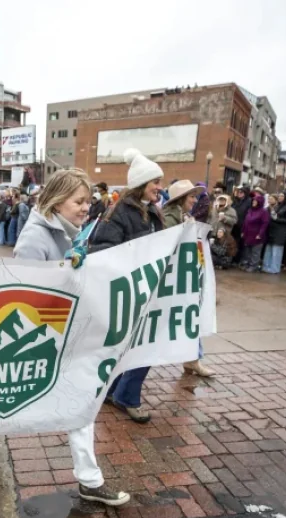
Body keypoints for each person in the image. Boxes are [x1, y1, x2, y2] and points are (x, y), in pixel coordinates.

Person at [12, 168, 130, 506]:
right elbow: (25, 296)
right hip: (43, 340)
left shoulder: (71, 232)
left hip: (67, 337)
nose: (86, 207)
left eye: (88, 201)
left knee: (83, 404)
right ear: (57, 201)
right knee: (15, 400)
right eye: (79, 201)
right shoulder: (35, 238)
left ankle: (89, 480)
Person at [90, 150, 165, 422]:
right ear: (141, 184)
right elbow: (101, 250)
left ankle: (112, 391)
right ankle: (127, 397)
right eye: (155, 181)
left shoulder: (151, 210)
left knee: (134, 346)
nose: (159, 187)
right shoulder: (118, 212)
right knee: (144, 346)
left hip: (148, 287)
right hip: (131, 291)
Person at [161, 180, 212, 377]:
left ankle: (193, 359)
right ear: (181, 198)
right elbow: (168, 245)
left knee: (191, 316)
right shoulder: (170, 218)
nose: (195, 200)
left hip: (181, 277)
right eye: (191, 196)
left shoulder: (183, 216)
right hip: (172, 279)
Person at [262, 191, 286, 274]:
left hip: (281, 232)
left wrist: (277, 219)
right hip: (272, 230)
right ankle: (266, 266)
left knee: (277, 251)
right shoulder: (278, 206)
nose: (279, 197)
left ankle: (274, 268)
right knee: (269, 249)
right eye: (279, 196)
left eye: (282, 196)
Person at [240, 194, 270, 272]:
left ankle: (254, 266)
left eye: (255, 201)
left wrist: (260, 234)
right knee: (247, 250)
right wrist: (243, 231)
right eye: (253, 201)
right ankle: (247, 264)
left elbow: (265, 224)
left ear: (259, 202)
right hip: (248, 234)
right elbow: (245, 222)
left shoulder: (263, 212)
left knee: (255, 252)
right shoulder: (250, 210)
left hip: (257, 235)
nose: (253, 202)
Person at [231, 184, 253, 261]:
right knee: (233, 241)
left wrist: (244, 223)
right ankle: (232, 257)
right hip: (234, 224)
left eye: (241, 192)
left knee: (239, 243)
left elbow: (248, 214)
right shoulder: (236, 200)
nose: (239, 193)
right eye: (239, 192)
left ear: (245, 193)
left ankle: (237, 259)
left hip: (242, 225)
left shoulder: (249, 201)